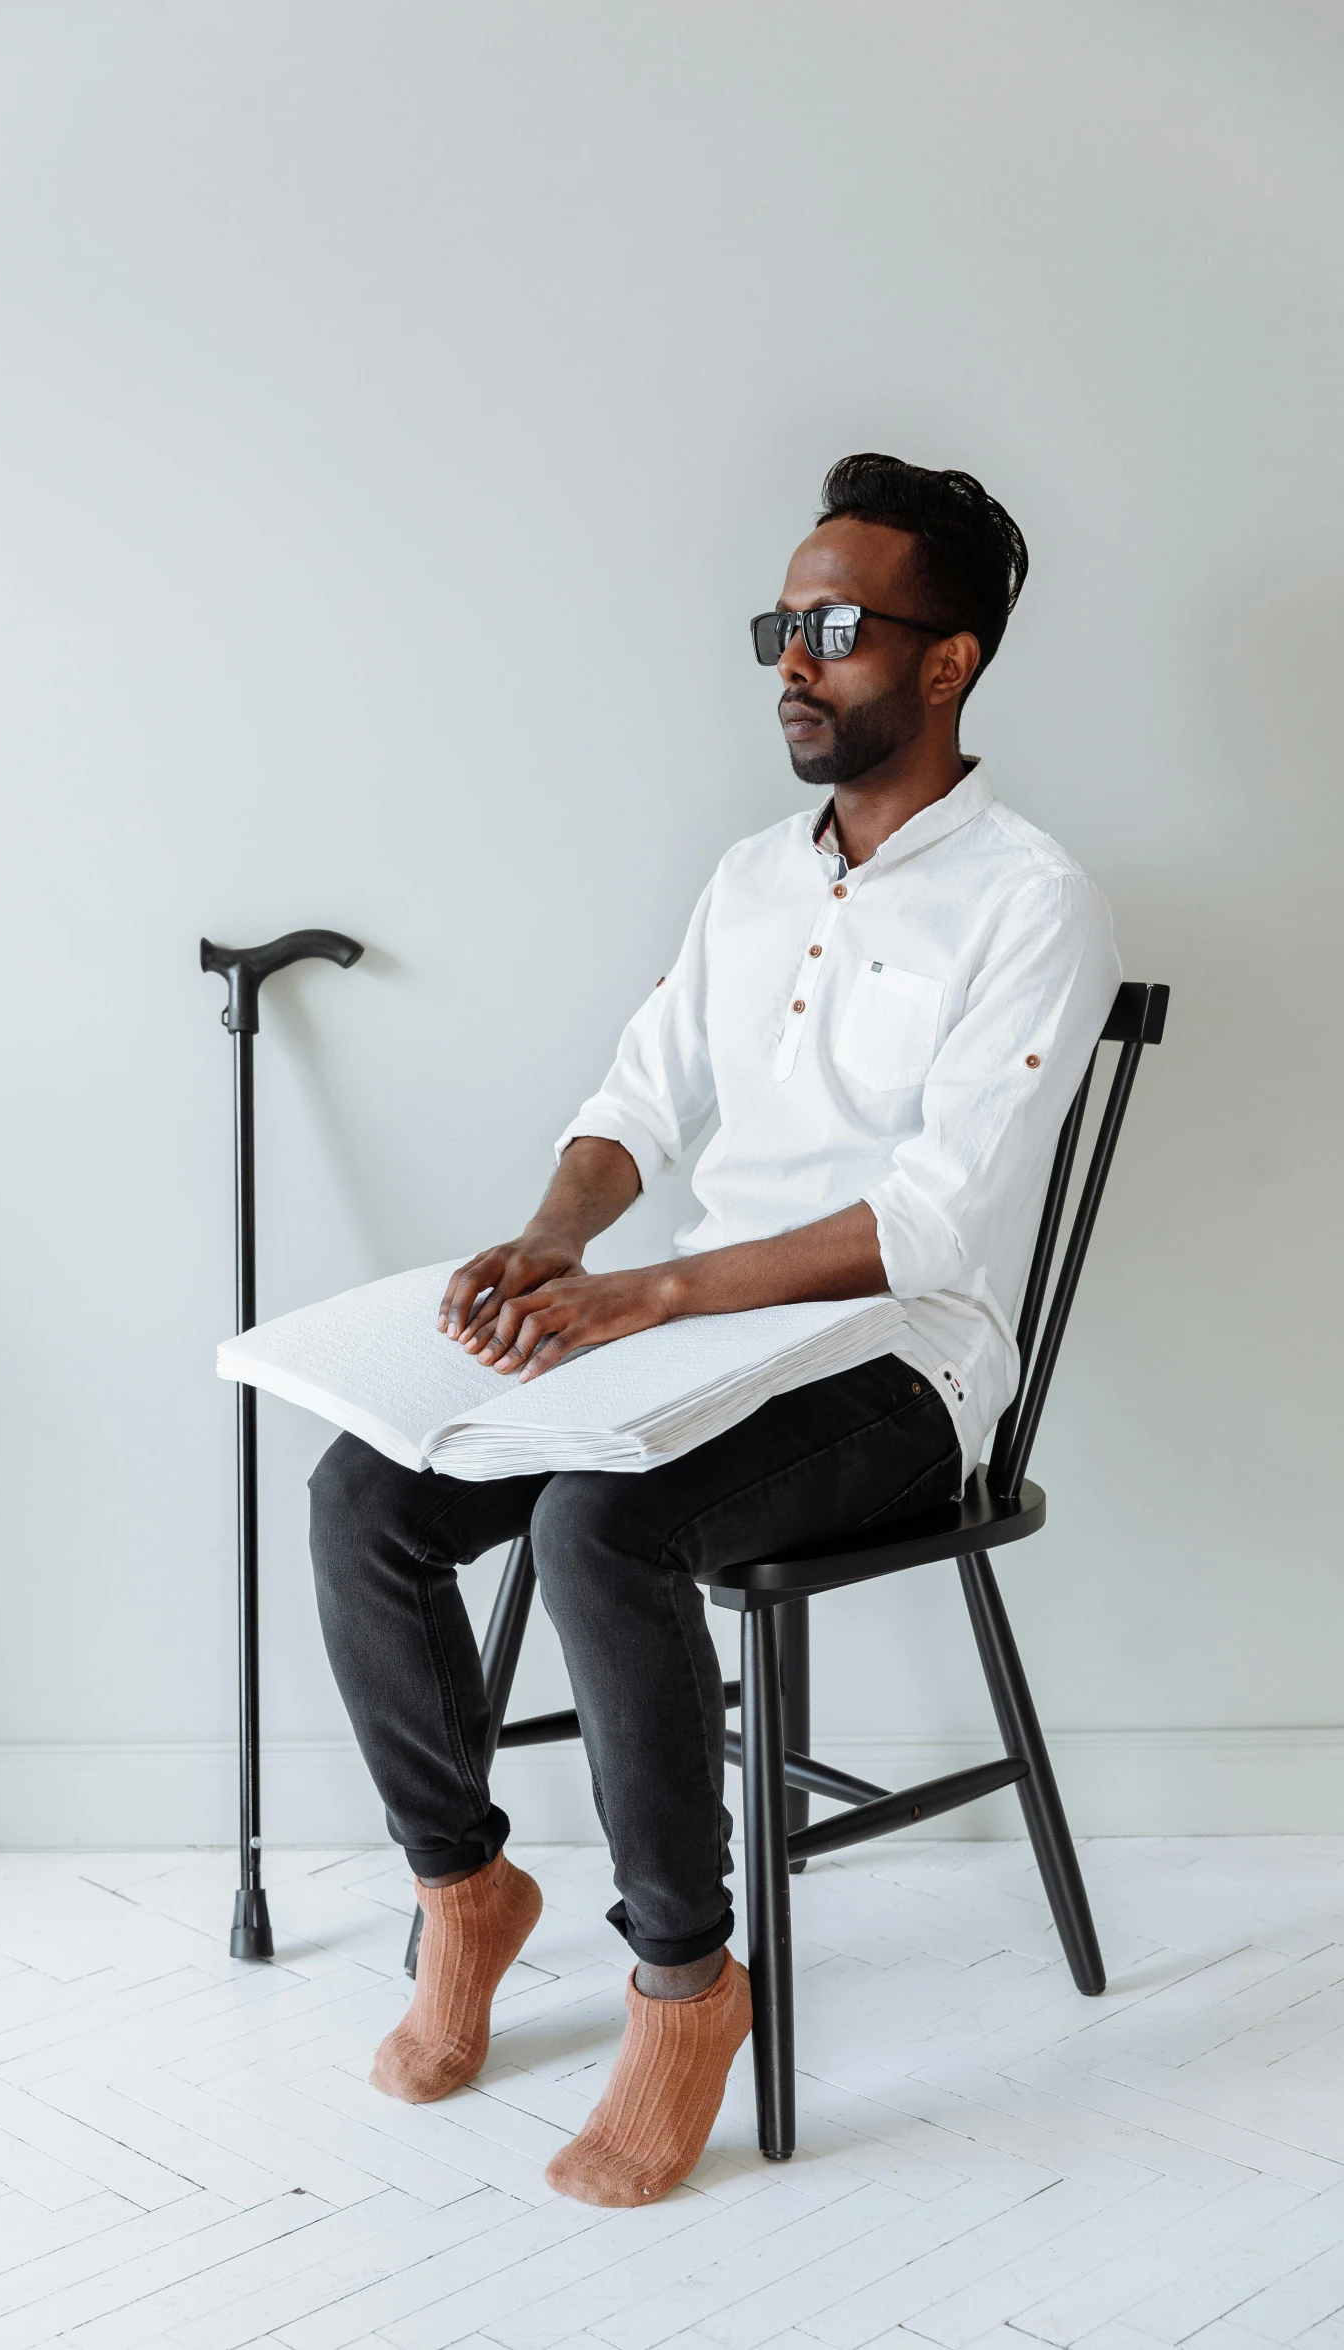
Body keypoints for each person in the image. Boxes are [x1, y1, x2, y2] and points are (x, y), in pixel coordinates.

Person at [308, 452, 1120, 2205]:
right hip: (686, 1339)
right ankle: (465, 1888)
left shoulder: (1031, 900)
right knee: (359, 1495)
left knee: (602, 1526)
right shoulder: (752, 876)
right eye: (779, 624)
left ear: (948, 659)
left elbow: (928, 1222)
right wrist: (546, 1244)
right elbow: (638, 1100)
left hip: (901, 1370)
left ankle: (684, 1983)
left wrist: (648, 1290)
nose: (789, 662)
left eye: (831, 627)